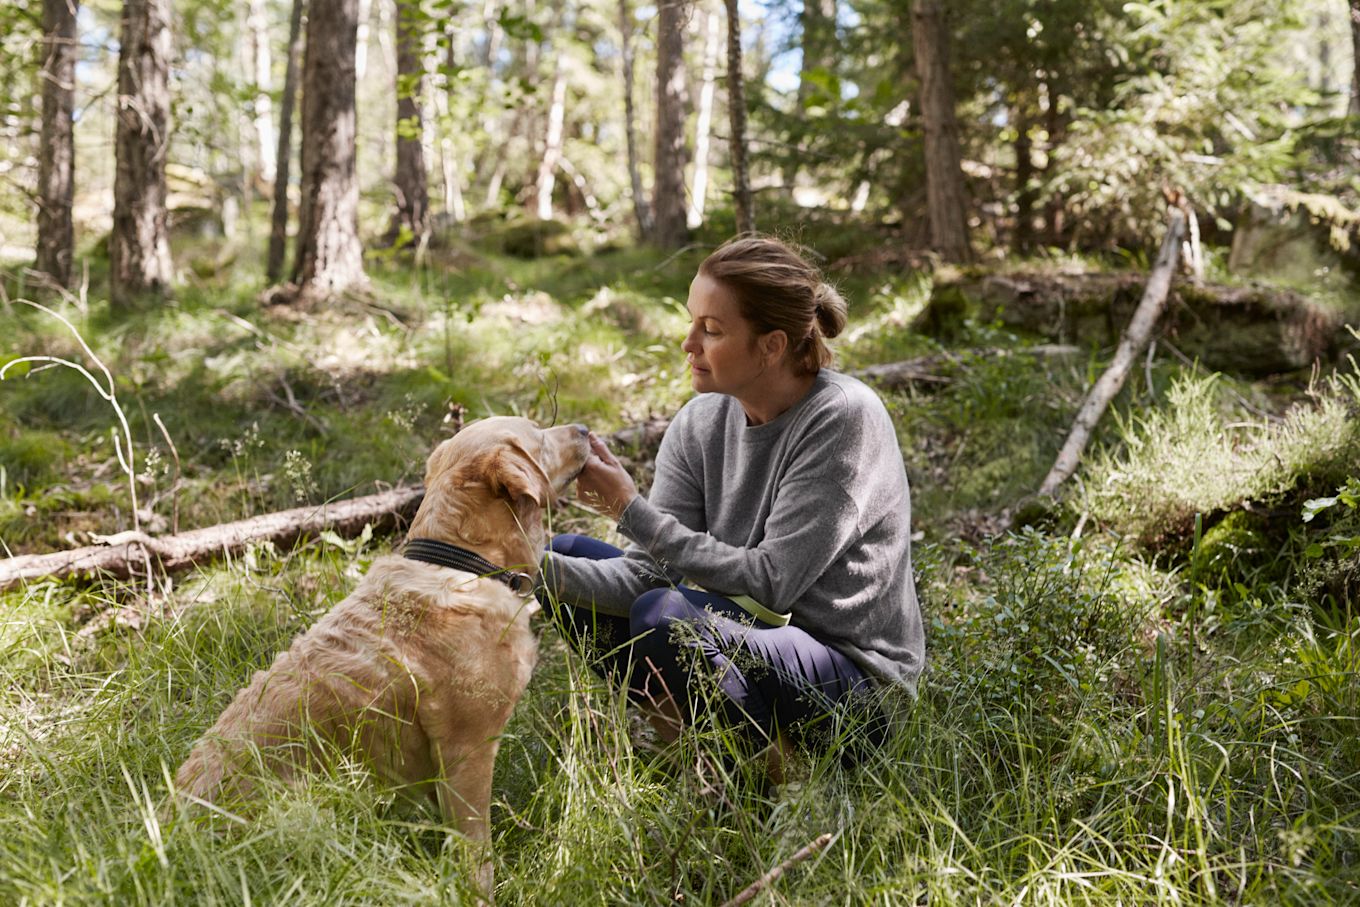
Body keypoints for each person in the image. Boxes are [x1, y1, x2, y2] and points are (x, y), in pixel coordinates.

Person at [538, 235, 924, 775]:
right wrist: (518, 565)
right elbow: (646, 574)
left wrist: (631, 509)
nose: (688, 343)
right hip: (757, 642)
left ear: (771, 346)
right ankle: (693, 751)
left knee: (665, 616)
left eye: (712, 330)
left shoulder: (842, 419)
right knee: (565, 554)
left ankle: (784, 781)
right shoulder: (699, 423)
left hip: (856, 687)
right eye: (691, 321)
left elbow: (773, 582)